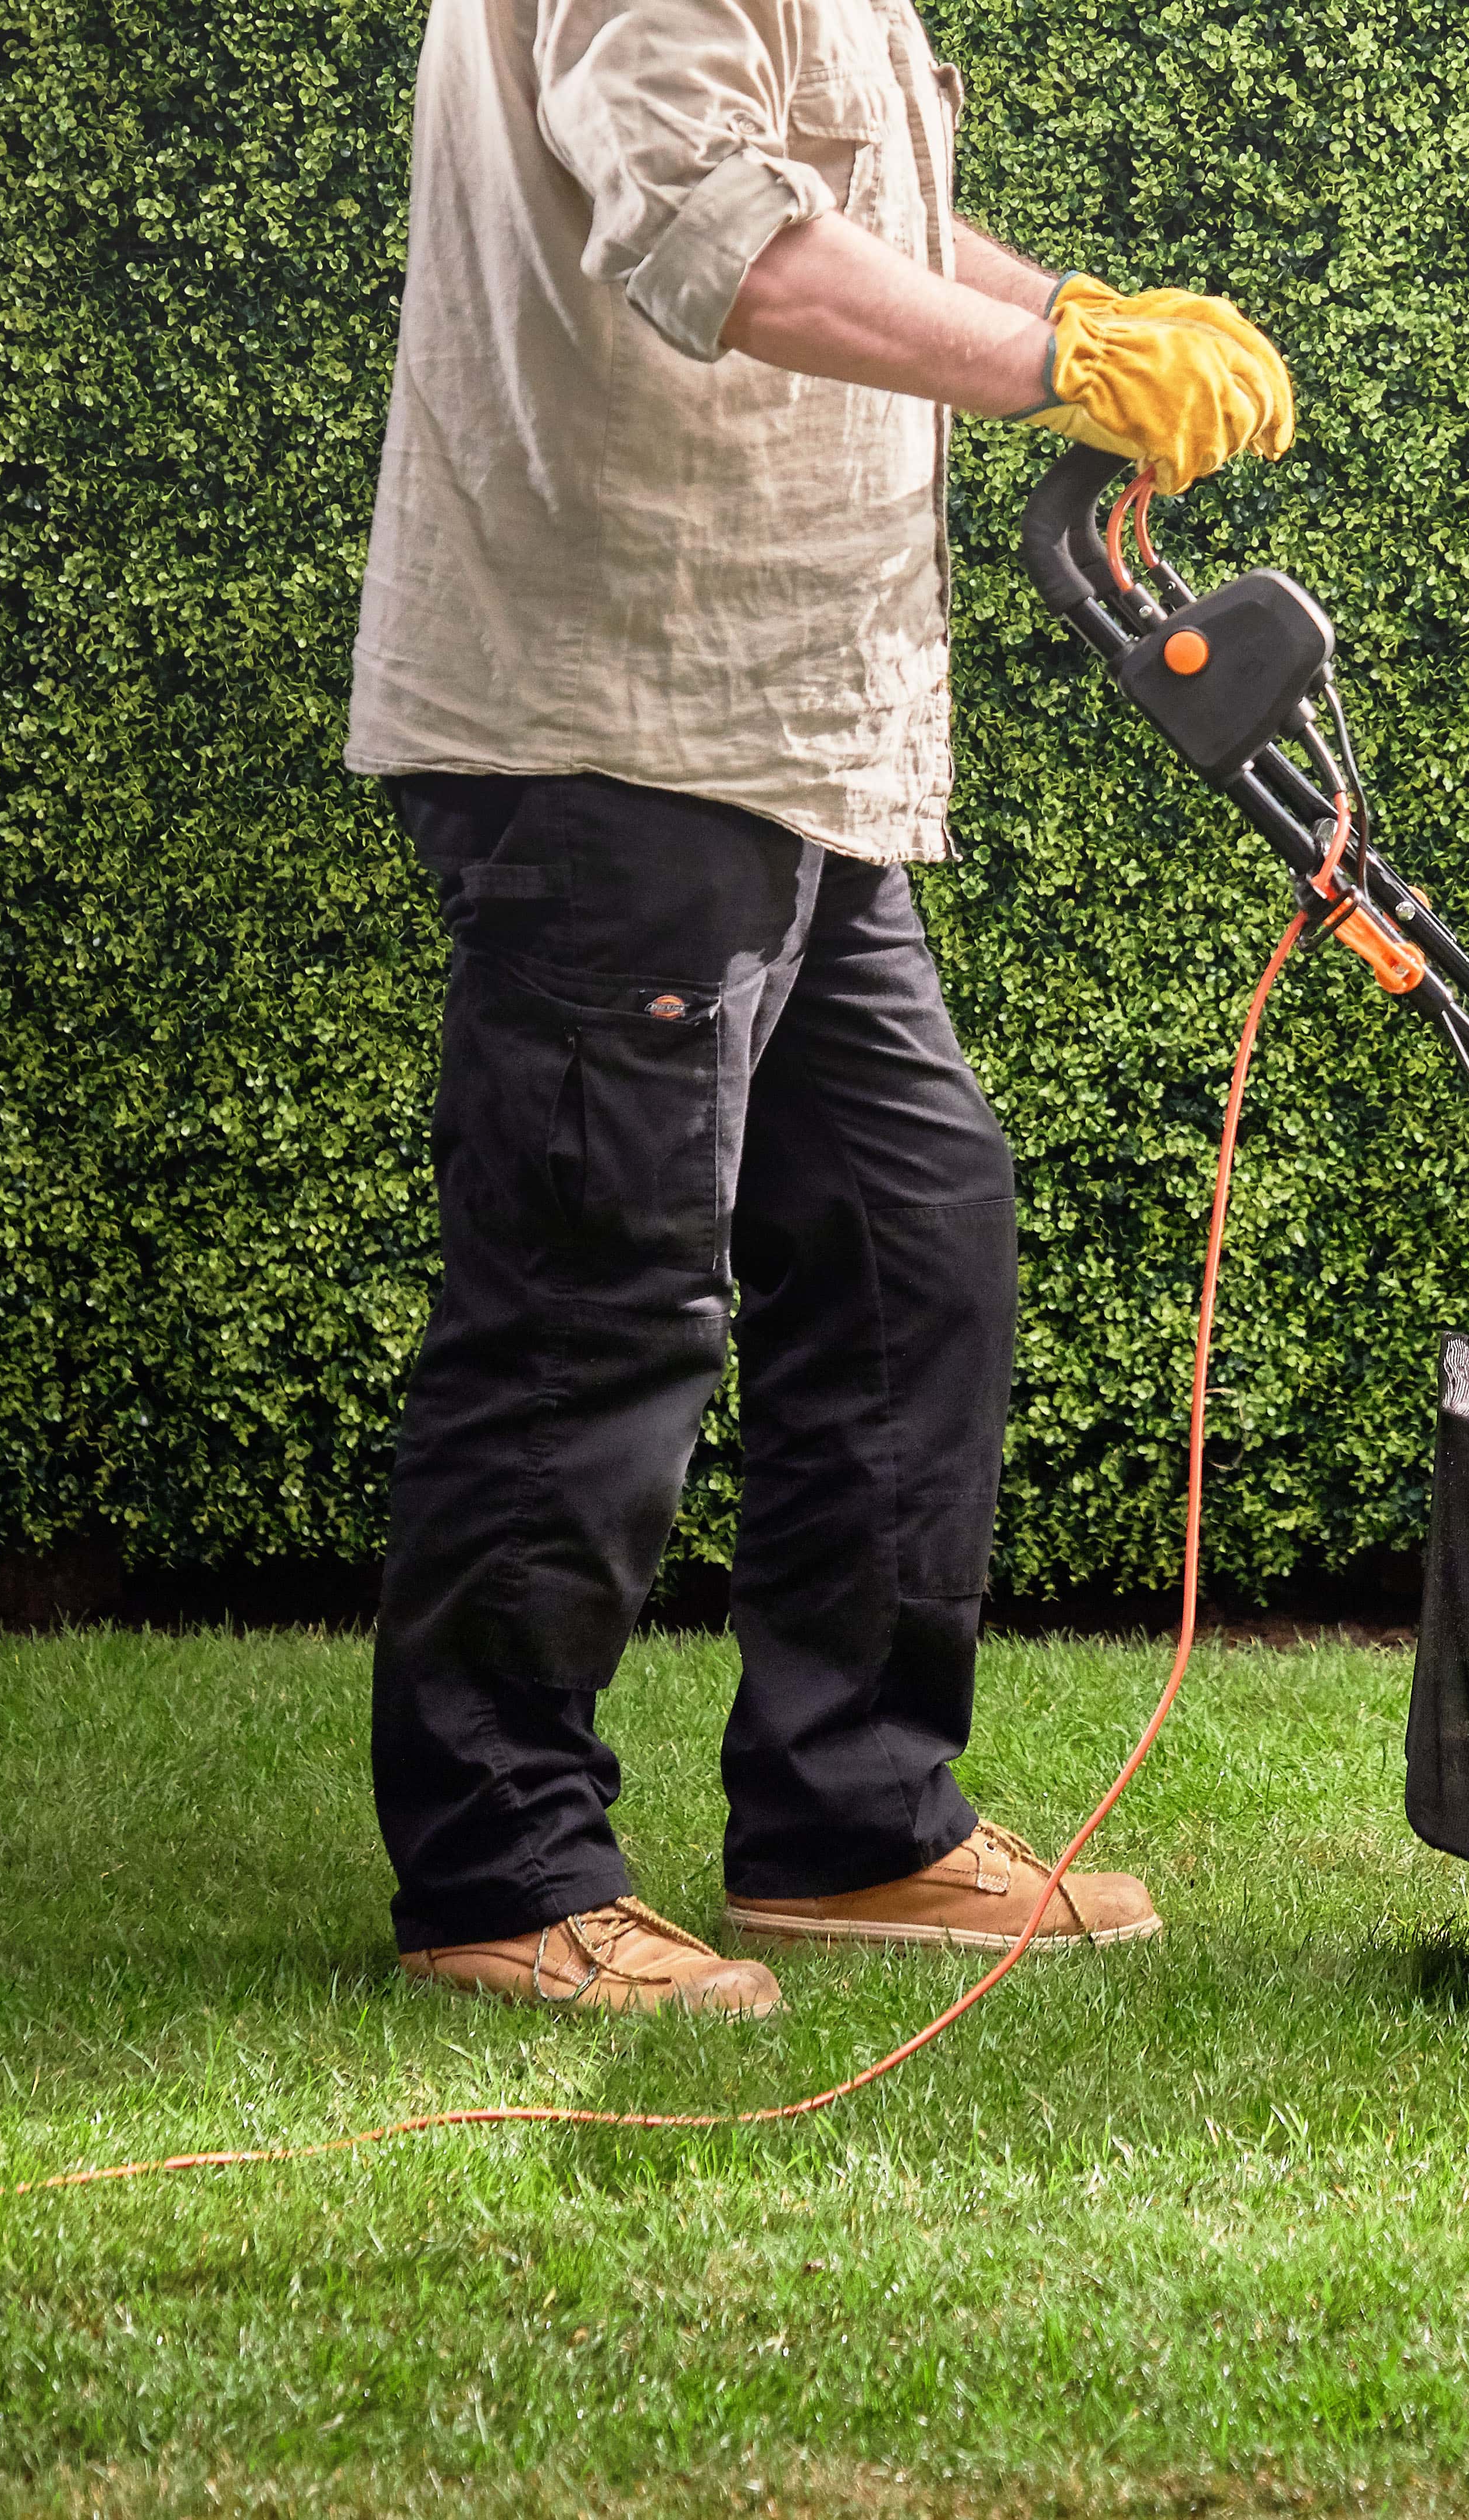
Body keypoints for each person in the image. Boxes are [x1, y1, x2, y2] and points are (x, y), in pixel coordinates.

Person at [342, 0, 1291, 2014]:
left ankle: (852, 1822)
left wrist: (1080, 317)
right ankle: (503, 1873)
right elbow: (720, 237)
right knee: (590, 1300)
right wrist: (1057, 363)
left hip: (789, 733)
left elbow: (847, 213)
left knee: (905, 1237)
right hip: (616, 720)